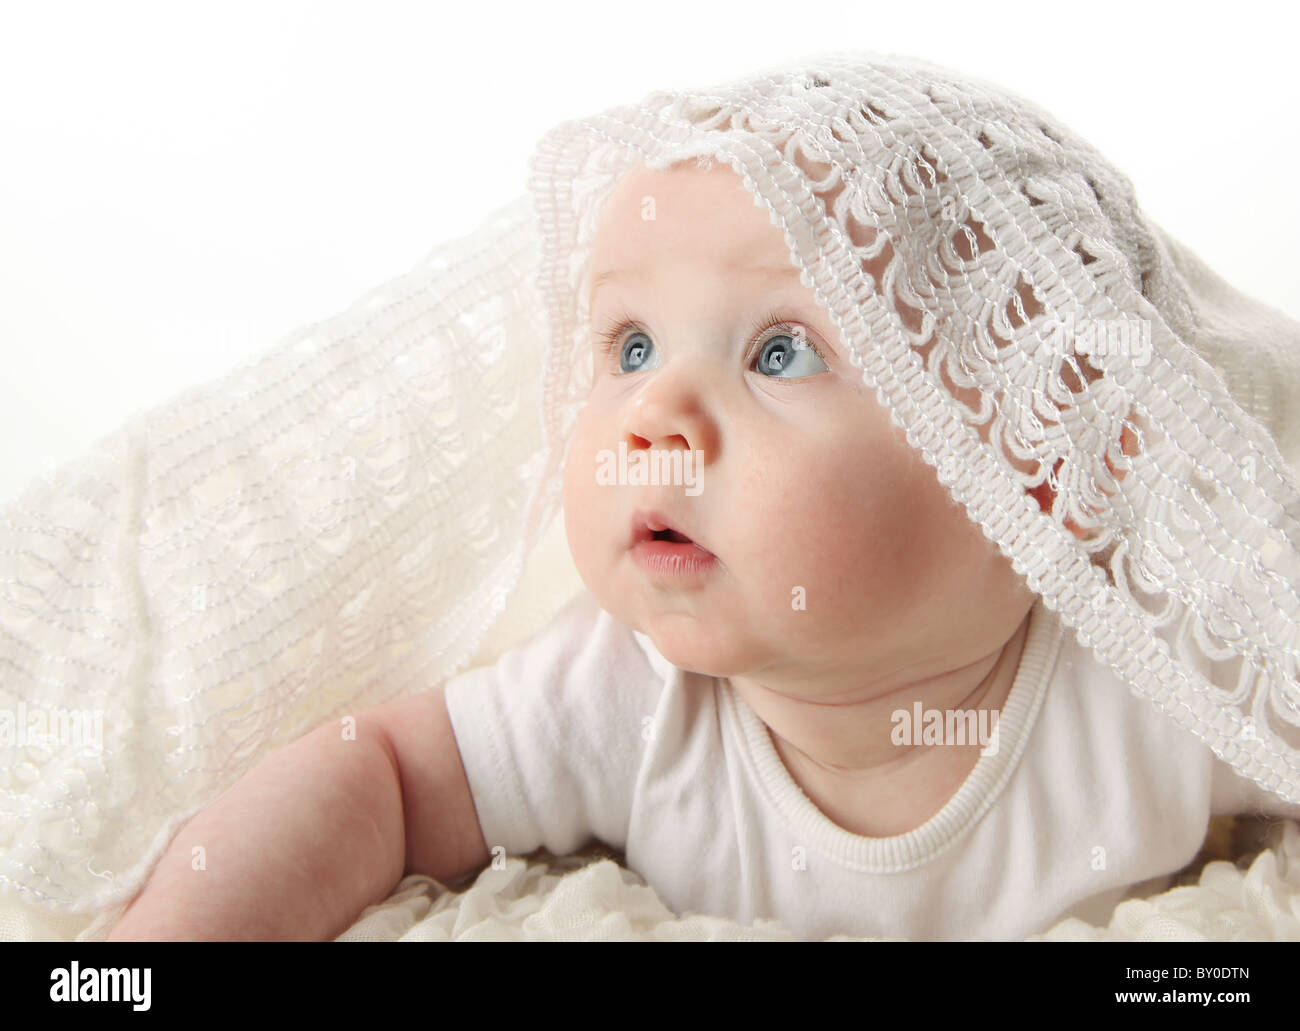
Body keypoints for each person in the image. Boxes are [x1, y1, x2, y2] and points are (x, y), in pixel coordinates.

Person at [103, 51, 1300, 940]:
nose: (648, 417)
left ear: (1040, 456)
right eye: (628, 345)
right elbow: (385, 778)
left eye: (779, 350)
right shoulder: (625, 691)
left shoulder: (1159, 677)